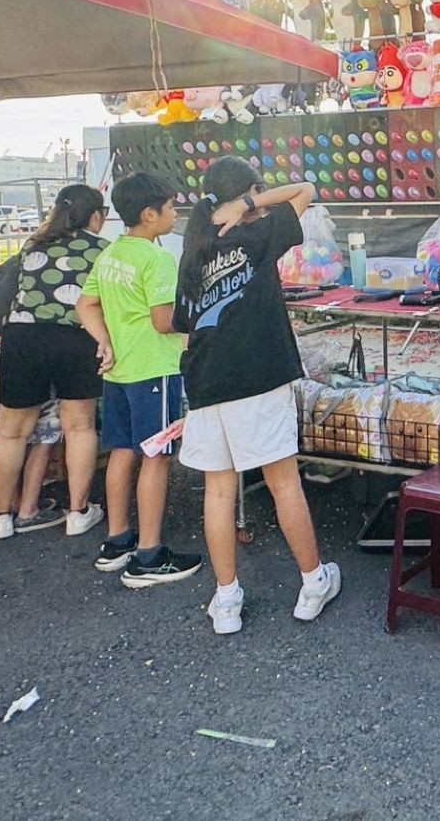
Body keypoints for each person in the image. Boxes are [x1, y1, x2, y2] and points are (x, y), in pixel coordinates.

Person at [174, 156, 339, 635]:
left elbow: (183, 325)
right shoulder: (257, 234)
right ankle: (313, 582)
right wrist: (249, 204)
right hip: (258, 375)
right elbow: (305, 189)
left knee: (219, 490)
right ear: (248, 193)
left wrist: (234, 205)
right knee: (283, 482)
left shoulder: (194, 247)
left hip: (206, 380)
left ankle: (226, 599)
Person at [76, 173, 202, 588]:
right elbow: (164, 321)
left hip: (120, 372)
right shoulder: (156, 258)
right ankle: (148, 554)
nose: (175, 213)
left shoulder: (111, 253)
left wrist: (104, 341)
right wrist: (198, 319)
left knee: (122, 451)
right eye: (171, 206)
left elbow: (85, 304)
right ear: (150, 214)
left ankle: (117, 541)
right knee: (155, 456)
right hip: (155, 370)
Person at [0, 185, 109, 540]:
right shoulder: (102, 250)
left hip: (24, 338)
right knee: (80, 427)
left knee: (11, 432)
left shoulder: (32, 245)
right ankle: (78, 512)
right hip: (78, 337)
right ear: (95, 216)